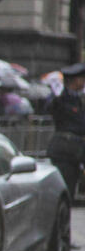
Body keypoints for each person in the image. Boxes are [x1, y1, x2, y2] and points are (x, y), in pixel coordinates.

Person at [47, 65, 85, 202]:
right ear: (76, 80)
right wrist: (58, 96)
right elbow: (51, 107)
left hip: (77, 149)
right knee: (65, 188)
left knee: (71, 184)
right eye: (82, 79)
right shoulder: (61, 96)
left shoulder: (76, 98)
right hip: (65, 149)